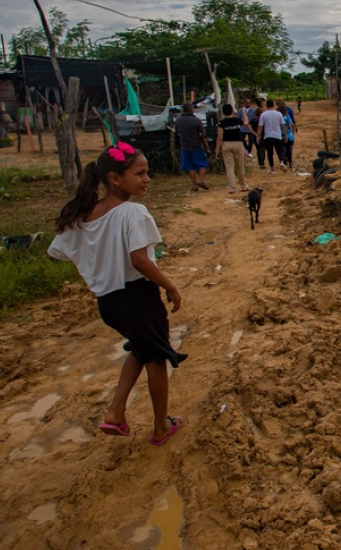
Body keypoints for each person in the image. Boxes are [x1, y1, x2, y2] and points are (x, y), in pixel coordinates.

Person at [48, 142, 187, 446]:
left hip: (109, 302)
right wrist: (170, 285)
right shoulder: (132, 213)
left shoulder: (87, 214)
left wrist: (101, 263)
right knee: (157, 359)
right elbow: (140, 259)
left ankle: (115, 412)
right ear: (114, 178)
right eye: (140, 173)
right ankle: (161, 426)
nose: (147, 179)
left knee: (141, 349)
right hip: (139, 298)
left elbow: (59, 250)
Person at [174, 102, 212, 191]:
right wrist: (206, 147)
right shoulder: (196, 120)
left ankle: (194, 185)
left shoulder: (178, 120)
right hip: (197, 146)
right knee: (202, 164)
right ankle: (201, 180)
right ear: (191, 110)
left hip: (185, 146)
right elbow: (203, 135)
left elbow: (177, 132)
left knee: (189, 166)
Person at [216, 103, 249, 193]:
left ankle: (232, 188)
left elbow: (220, 137)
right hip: (238, 144)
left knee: (229, 167)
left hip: (226, 145)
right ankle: (243, 186)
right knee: (240, 166)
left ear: (223, 112)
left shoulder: (221, 123)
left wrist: (217, 150)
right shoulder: (237, 120)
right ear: (232, 111)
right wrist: (244, 112)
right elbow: (246, 123)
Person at [256, 98, 284, 174]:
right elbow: (283, 125)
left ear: (266, 105)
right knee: (280, 150)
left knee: (270, 153)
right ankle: (282, 161)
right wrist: (285, 135)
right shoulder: (279, 114)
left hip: (268, 136)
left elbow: (260, 127)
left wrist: (258, 136)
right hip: (277, 135)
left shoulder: (263, 115)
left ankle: (272, 168)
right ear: (273, 105)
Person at [277, 98, 296, 170]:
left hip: (279, 135)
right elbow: (291, 125)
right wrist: (293, 132)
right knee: (289, 149)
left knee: (280, 149)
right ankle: (290, 162)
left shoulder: (277, 117)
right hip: (288, 134)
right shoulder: (287, 116)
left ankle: (282, 161)